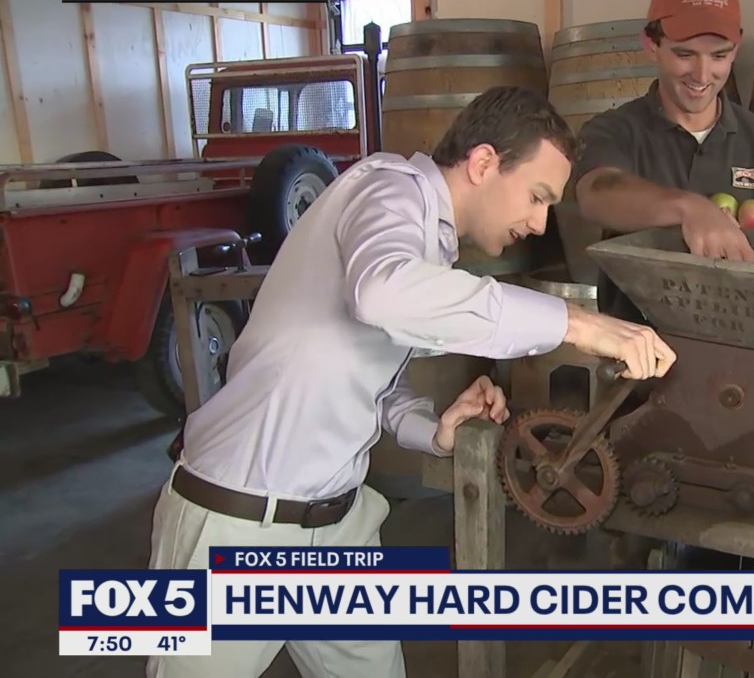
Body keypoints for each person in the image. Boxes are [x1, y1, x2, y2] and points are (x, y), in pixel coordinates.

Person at [146, 85, 677, 678]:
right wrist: (575, 323)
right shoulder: (386, 187)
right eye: (536, 196)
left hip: (336, 529)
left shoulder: (430, 246)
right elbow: (380, 294)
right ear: (483, 164)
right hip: (238, 527)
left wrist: (433, 428)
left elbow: (367, 378)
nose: (539, 221)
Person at [571, 0, 754, 326]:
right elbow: (596, 192)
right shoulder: (616, 131)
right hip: (640, 352)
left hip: (742, 350)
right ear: (652, 45)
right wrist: (690, 208)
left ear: (736, 50)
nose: (701, 74)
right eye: (685, 54)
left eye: (718, 56)